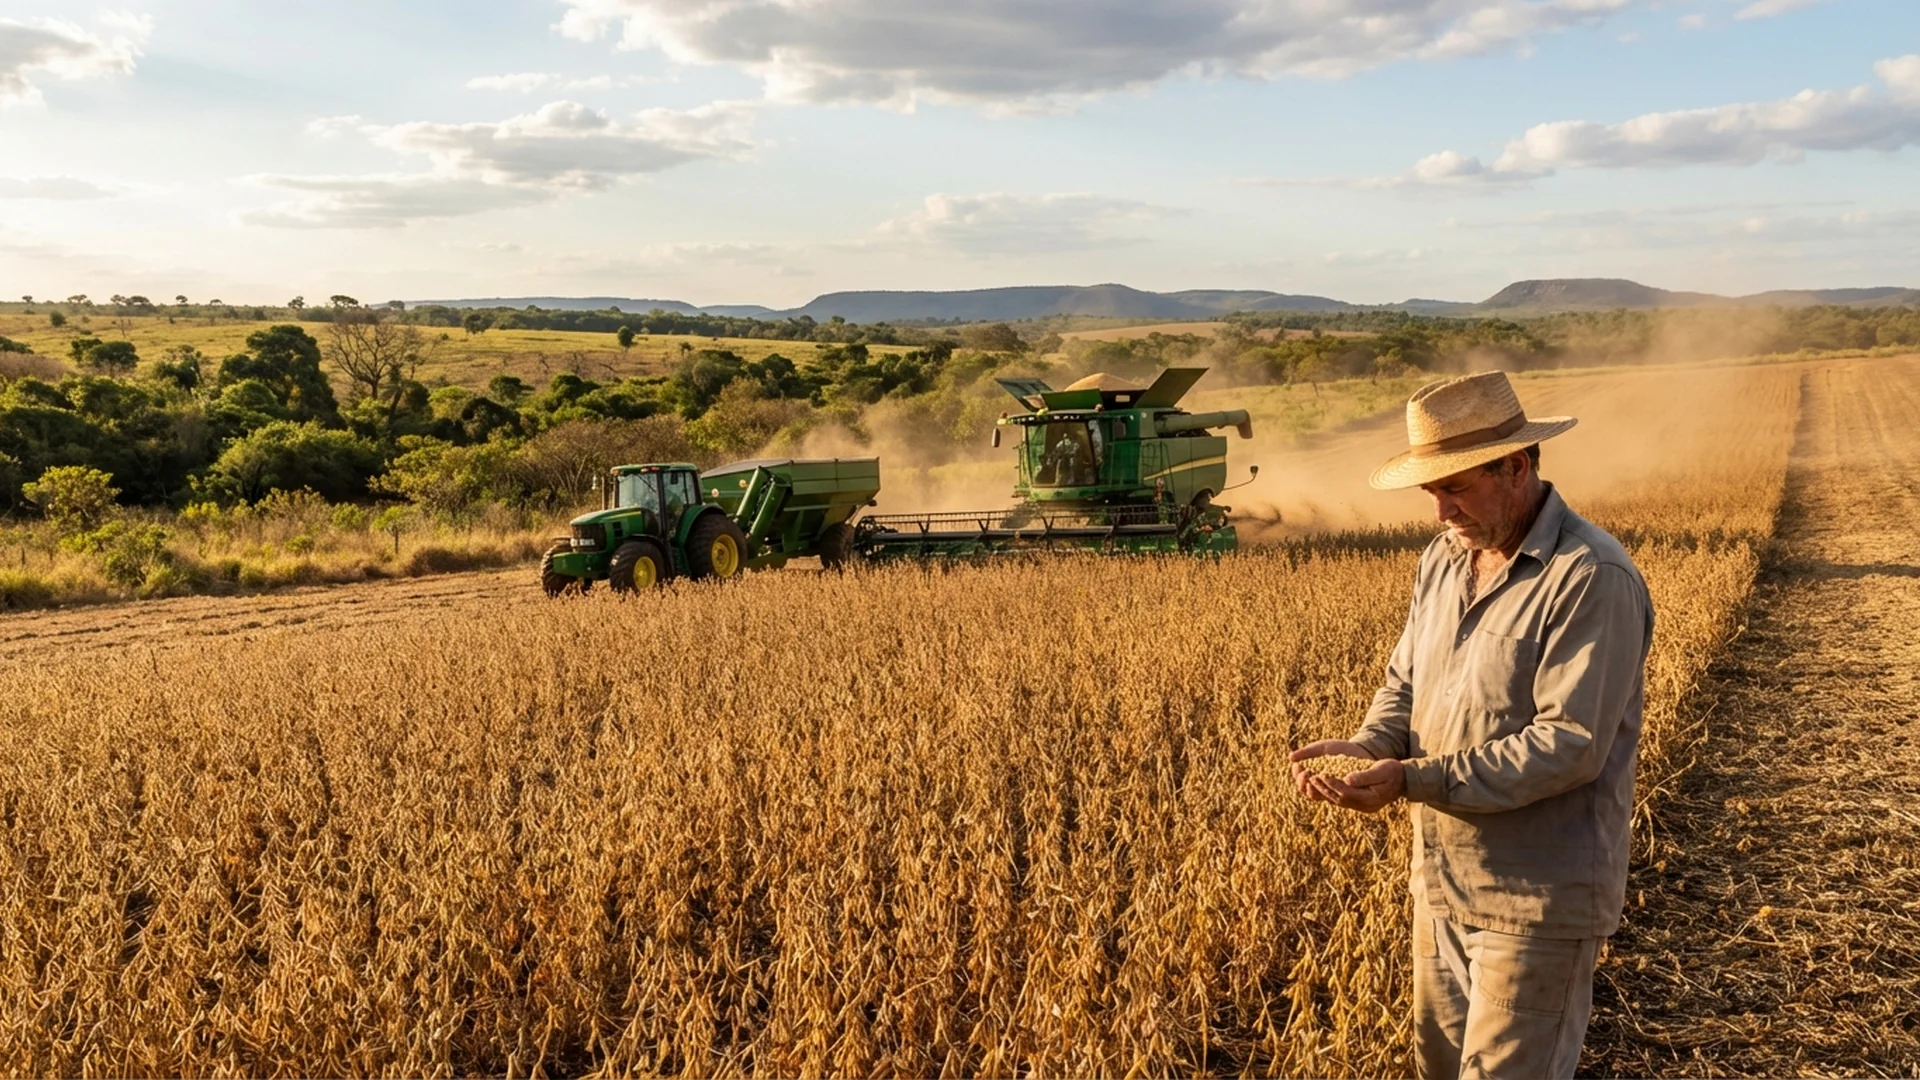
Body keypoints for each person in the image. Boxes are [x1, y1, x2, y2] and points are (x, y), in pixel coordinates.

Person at [1290, 371, 1654, 1080]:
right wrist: (1373, 744)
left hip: (1538, 898)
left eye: (1454, 487)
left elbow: (1568, 745)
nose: (1439, 510)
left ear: (1516, 467)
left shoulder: (1589, 576)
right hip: (1443, 883)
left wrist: (1412, 779)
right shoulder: (1444, 561)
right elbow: (1406, 684)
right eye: (1432, 491)